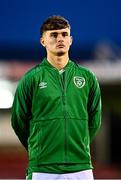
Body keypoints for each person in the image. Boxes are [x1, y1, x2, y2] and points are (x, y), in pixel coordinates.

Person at [11, 15, 102, 180]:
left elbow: (94, 119)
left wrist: (80, 144)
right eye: (53, 35)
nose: (60, 38)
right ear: (43, 41)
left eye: (64, 34)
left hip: (80, 167)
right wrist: (37, 147)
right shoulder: (31, 78)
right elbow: (18, 121)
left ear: (71, 40)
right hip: (42, 168)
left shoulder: (87, 77)